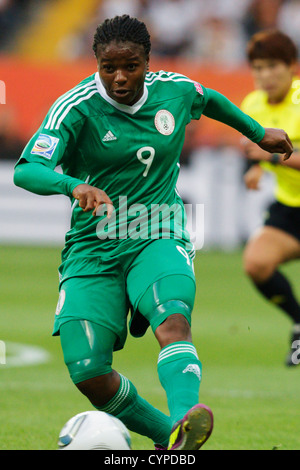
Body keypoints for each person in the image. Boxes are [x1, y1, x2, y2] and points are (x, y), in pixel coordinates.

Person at [14, 15, 293, 450]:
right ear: (97, 64)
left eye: (131, 66)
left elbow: (210, 98)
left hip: (157, 230)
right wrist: (73, 185)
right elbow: (28, 169)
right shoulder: (76, 107)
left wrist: (257, 133)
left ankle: (185, 417)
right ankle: (172, 438)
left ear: (148, 61)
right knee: (88, 371)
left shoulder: (173, 90)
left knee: (174, 322)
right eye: (109, 68)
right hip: (94, 246)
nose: (120, 77)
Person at [241, 30, 300, 367]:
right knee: (256, 264)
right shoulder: (252, 104)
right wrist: (255, 168)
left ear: (291, 66)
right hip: (291, 208)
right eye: (258, 68)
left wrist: (271, 160)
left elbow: (271, 152)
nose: (264, 76)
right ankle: (299, 320)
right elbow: (255, 147)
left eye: (272, 66)